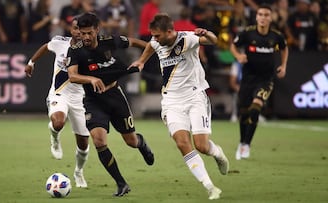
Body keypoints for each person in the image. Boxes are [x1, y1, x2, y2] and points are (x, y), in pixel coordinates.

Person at [130, 13, 229, 200]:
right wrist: (141, 61)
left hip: (194, 97)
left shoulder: (188, 39)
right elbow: (150, 46)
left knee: (201, 145)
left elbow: (214, 41)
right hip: (171, 101)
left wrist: (207, 34)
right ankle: (210, 186)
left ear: (169, 31)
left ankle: (217, 153)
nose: (155, 39)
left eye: (158, 35)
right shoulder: (156, 41)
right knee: (183, 143)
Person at [66, 12, 154, 197]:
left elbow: (135, 42)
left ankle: (141, 143)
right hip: (93, 100)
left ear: (97, 30)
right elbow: (72, 76)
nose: (86, 37)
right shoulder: (75, 49)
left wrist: (146, 57)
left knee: (130, 141)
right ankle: (121, 183)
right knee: (98, 140)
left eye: (90, 33)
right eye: (82, 33)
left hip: (115, 96)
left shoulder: (110, 41)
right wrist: (90, 79)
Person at [24, 16, 90, 188]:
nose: (78, 32)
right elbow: (45, 47)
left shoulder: (91, 50)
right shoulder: (60, 42)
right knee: (58, 122)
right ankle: (55, 137)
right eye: (75, 28)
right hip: (59, 94)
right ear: (71, 30)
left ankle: (78, 172)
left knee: (83, 143)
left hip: (80, 99)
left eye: (81, 30)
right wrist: (31, 62)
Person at [230, 4, 289, 160]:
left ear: (271, 18)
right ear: (256, 17)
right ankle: (242, 142)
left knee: (255, 108)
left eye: (266, 15)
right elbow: (233, 46)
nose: (263, 17)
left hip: (265, 80)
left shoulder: (276, 36)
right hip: (248, 79)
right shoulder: (247, 34)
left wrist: (283, 66)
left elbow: (284, 48)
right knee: (243, 113)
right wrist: (238, 57)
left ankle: (247, 144)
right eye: (261, 14)